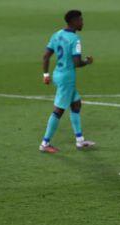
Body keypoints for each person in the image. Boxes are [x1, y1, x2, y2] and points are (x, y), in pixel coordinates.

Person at [39, 10, 95, 153]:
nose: (82, 23)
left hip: (58, 74)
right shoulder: (74, 39)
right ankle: (45, 143)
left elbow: (46, 56)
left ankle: (80, 140)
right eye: (80, 20)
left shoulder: (57, 34)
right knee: (59, 110)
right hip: (67, 78)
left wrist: (46, 74)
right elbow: (76, 63)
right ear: (74, 21)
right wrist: (87, 62)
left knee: (76, 104)